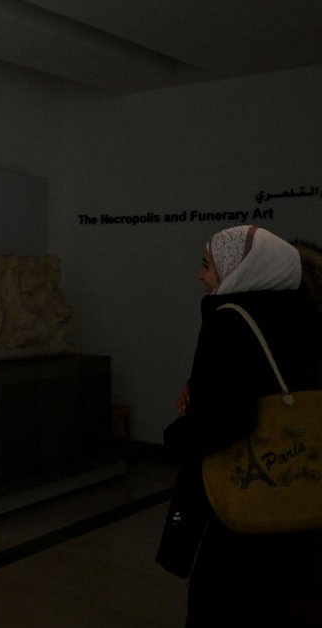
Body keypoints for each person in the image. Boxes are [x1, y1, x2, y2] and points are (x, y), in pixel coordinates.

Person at [161, 225, 322, 626]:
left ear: (239, 267)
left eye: (208, 265)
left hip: (245, 494)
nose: (201, 275)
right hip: (300, 485)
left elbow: (226, 417)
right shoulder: (300, 311)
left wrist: (176, 438)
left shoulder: (228, 320)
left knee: (224, 600)